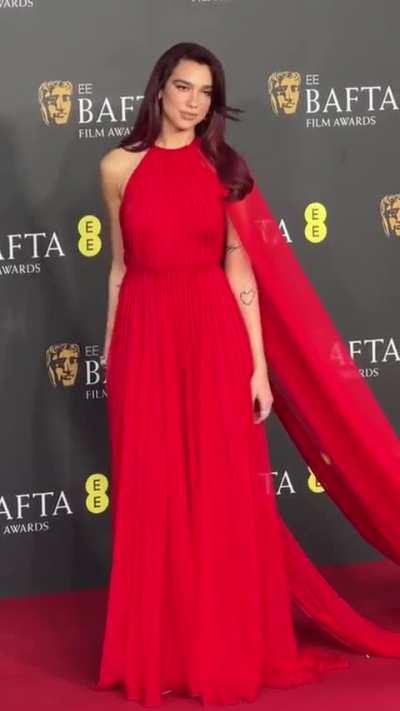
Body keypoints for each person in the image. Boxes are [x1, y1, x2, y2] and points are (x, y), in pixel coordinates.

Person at [96, 42, 400, 706]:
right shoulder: (118, 167)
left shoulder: (223, 167)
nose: (192, 101)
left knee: (216, 496)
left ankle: (217, 644)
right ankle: (162, 648)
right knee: (154, 493)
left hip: (212, 339)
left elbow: (240, 269)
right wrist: (112, 349)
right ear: (159, 89)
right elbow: (119, 266)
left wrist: (257, 366)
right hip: (143, 340)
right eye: (183, 87)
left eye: (205, 92)